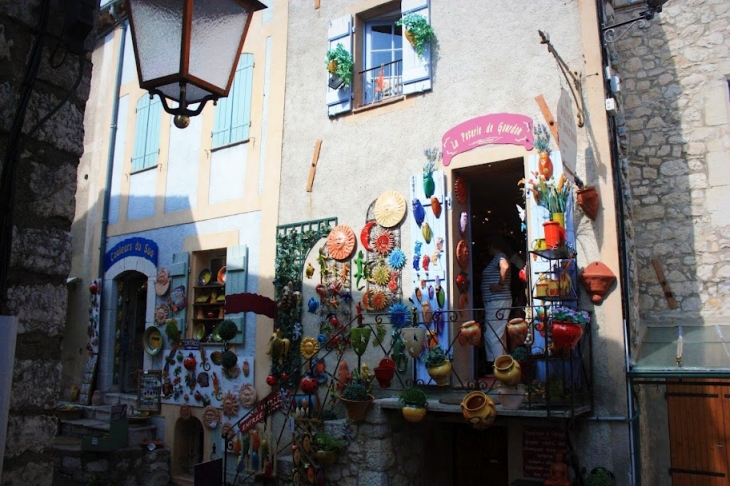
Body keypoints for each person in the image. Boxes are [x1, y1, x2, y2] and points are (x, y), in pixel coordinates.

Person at [481, 238, 513, 368]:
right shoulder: (498, 257)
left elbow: (504, 266)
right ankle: (504, 366)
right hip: (496, 301)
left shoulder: (500, 256)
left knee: (491, 334)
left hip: (497, 301)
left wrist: (499, 285)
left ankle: (498, 367)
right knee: (498, 334)